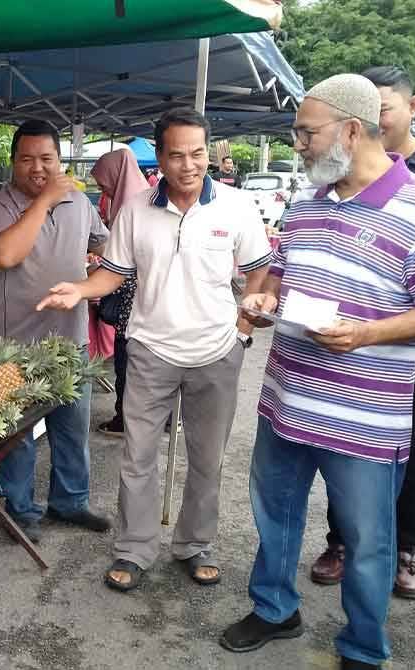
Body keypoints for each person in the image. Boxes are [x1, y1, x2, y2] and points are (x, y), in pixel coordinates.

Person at [221, 74, 415, 670]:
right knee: (273, 513)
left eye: (307, 133)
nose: (298, 144)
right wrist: (264, 300)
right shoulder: (306, 201)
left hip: (365, 415)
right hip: (287, 398)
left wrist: (366, 333)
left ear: (352, 131)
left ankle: (362, 645)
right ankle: (276, 609)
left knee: (367, 540)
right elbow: (280, 269)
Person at [36, 108, 270, 591]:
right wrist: (79, 290)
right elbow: (114, 273)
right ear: (159, 157)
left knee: (207, 458)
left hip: (217, 350)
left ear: (211, 153)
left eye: (199, 153)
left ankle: (194, 544)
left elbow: (259, 268)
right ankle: (134, 549)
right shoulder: (135, 210)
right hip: (149, 350)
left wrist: (243, 326)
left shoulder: (237, 207)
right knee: (138, 457)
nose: (189, 165)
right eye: (178, 155)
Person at [307, 66, 415, 598]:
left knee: (404, 451)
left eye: (385, 105)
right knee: (336, 448)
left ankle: (402, 550)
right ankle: (340, 542)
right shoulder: (328, 183)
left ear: (410, 106)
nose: (377, 114)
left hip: (411, 355)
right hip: (325, 356)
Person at [0, 120, 112, 543]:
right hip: (15, 344)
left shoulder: (80, 203)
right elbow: (5, 254)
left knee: (72, 428)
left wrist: (95, 268)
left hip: (69, 337)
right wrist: (47, 199)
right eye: (26, 159)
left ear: (59, 160)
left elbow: (103, 244)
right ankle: (22, 511)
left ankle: (70, 502)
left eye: (46, 159)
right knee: (18, 433)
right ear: (12, 162)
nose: (37, 168)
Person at [89, 149, 150, 436]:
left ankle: (123, 419)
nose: (104, 190)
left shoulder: (133, 207)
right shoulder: (139, 199)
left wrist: (94, 278)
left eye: (104, 184)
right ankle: (162, 418)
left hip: (134, 303)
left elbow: (125, 262)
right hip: (144, 305)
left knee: (128, 364)